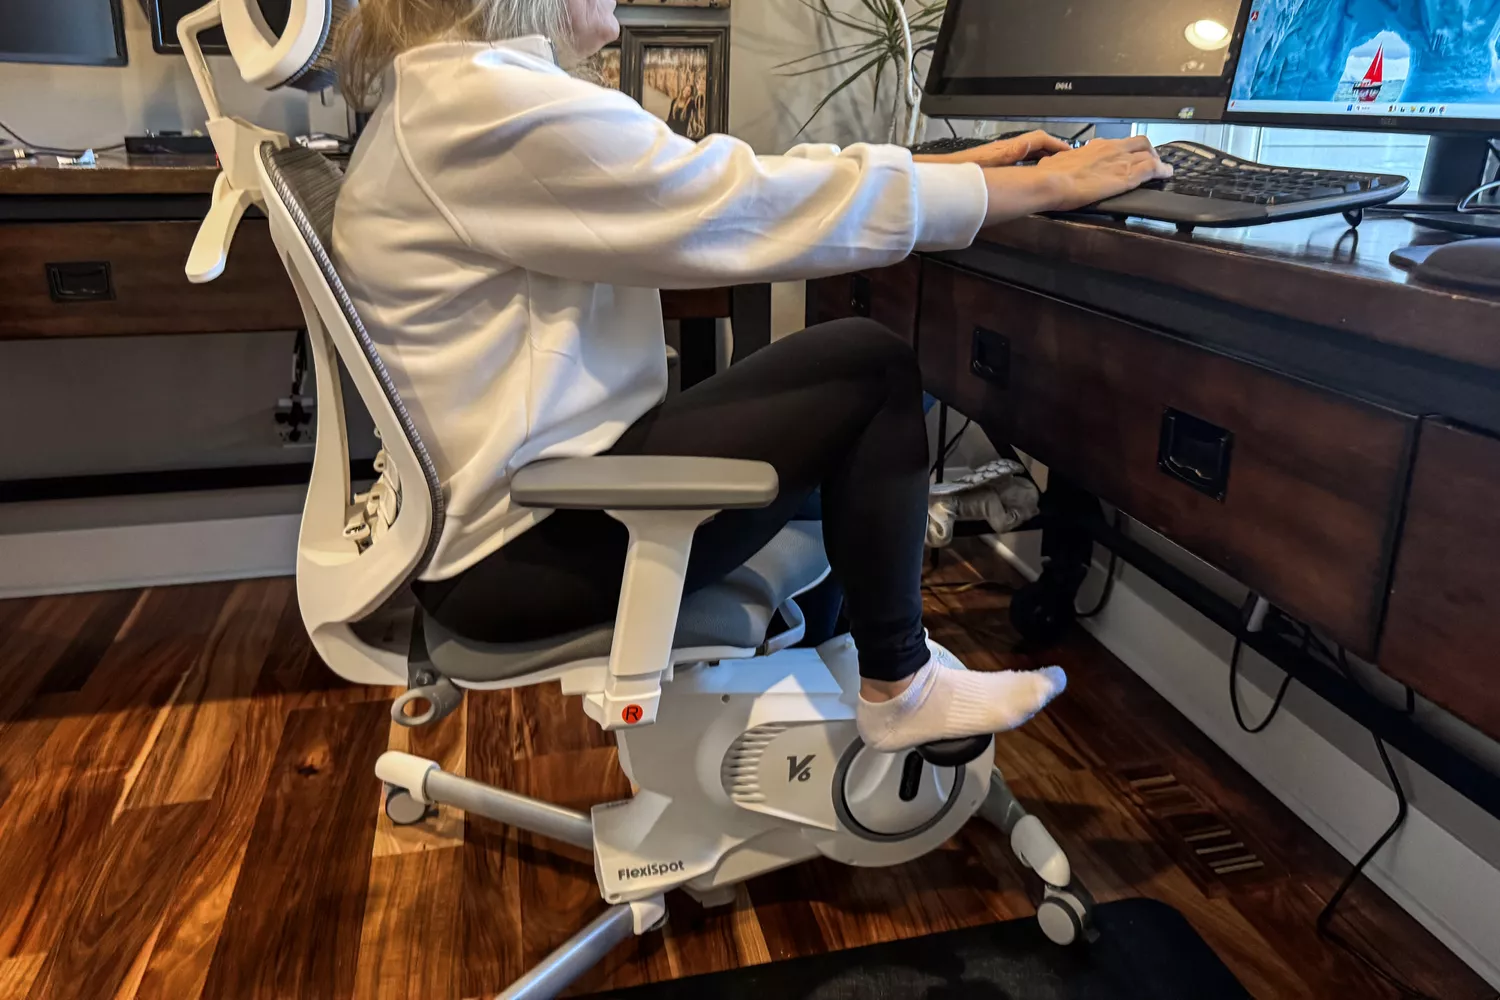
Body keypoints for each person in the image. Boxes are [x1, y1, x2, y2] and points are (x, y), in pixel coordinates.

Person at [331, 0, 1172, 752]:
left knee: (862, 444)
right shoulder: (485, 104)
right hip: (527, 548)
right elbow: (726, 200)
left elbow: (710, 176)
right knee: (870, 367)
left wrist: (970, 173)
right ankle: (899, 686)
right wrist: (1017, 190)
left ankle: (847, 700)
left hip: (513, 519)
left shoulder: (449, 97)